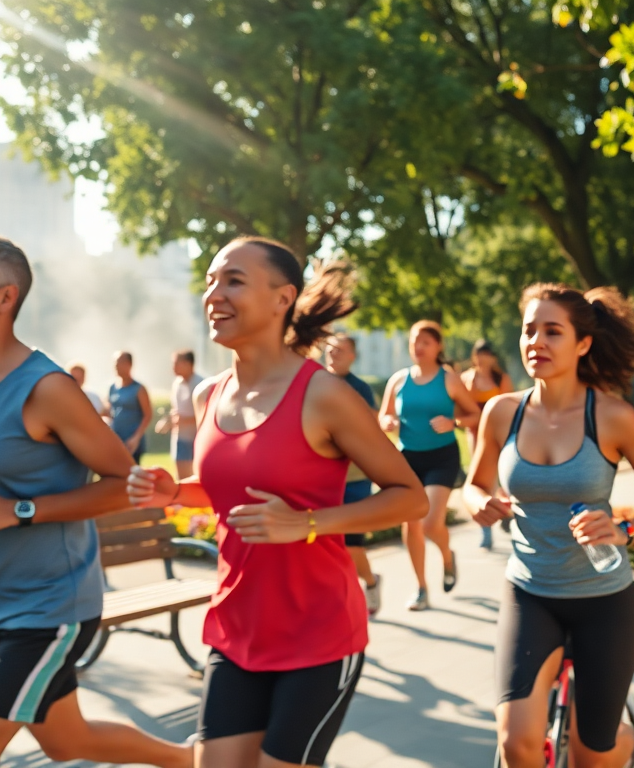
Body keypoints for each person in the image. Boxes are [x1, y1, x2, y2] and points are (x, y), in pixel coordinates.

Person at [0, 228, 191, 768]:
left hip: (52, 607)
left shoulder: (46, 388)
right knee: (69, 742)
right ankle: (196, 762)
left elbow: (129, 488)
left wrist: (18, 512)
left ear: (6, 297)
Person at [126, 236, 428, 768]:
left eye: (233, 281)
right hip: (237, 627)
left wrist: (308, 523)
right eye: (210, 282)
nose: (214, 294)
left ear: (282, 298)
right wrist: (173, 492)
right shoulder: (208, 395)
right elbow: (228, 495)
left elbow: (410, 499)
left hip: (318, 634)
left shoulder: (324, 395)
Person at [465, 284, 634, 768]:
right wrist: (480, 502)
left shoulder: (611, 416)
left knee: (593, 757)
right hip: (529, 592)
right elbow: (473, 485)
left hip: (603, 601)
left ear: (582, 344)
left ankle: (624, 742)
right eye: (529, 330)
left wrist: (625, 531)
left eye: (552, 331)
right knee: (516, 745)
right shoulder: (502, 412)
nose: (536, 342)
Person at [379, 320, 481, 611]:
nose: (418, 347)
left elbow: (474, 414)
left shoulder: (448, 379)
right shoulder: (398, 380)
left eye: (425, 341)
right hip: (408, 459)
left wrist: (454, 422)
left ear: (438, 346)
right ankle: (422, 588)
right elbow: (383, 418)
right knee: (410, 527)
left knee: (429, 522)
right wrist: (387, 422)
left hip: (442, 456)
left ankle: (447, 557)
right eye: (414, 341)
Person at [323, 332, 385, 616]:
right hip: (323, 477)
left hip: (356, 477)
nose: (333, 353)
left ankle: (370, 583)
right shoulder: (315, 382)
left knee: (352, 544)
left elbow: (373, 429)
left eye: (340, 349)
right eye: (330, 348)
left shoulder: (359, 388)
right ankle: (339, 597)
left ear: (352, 356)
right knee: (328, 543)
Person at [461, 339, 514, 549]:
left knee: (502, 478)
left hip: (499, 433)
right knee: (481, 481)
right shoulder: (467, 379)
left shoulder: (501, 379)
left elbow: (509, 406)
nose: (483, 358)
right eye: (479, 354)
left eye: (487, 354)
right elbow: (462, 408)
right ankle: (486, 531)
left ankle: (506, 512)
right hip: (475, 434)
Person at [154, 350, 203, 478]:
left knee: (196, 477)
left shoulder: (201, 384)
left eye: (177, 363)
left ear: (188, 364)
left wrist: (183, 420)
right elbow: (175, 410)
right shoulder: (177, 384)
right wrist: (167, 421)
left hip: (195, 438)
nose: (173, 367)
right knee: (181, 477)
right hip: (179, 437)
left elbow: (205, 415)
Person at [108, 350, 150, 463]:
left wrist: (136, 438)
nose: (116, 366)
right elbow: (110, 411)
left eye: (119, 362)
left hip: (132, 442)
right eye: (115, 363)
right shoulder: (112, 388)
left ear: (129, 365)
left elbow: (148, 415)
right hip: (117, 440)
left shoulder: (139, 389)